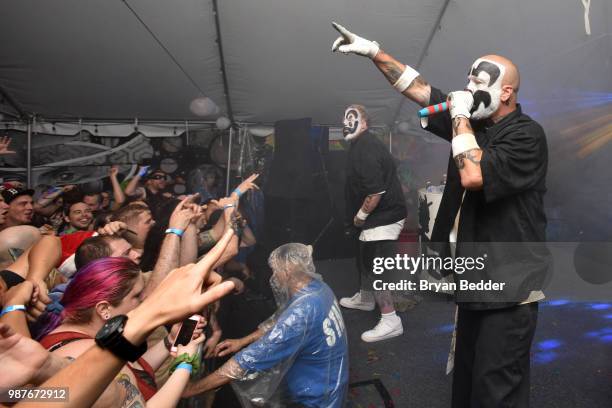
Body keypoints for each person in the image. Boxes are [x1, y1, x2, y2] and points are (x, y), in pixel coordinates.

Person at [331, 22, 549, 407]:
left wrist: (460, 115)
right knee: (466, 381)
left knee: (496, 389)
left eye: (478, 81)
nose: (468, 87)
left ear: (507, 92)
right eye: (467, 78)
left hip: (511, 287)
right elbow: (418, 88)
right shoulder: (473, 124)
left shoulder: (526, 136)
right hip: (476, 281)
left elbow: (473, 174)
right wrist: (373, 51)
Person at [183, 243, 349, 408]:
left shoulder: (302, 313)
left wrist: (192, 389)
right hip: (329, 381)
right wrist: (242, 341)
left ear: (287, 272)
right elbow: (281, 319)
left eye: (275, 271)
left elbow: (245, 362)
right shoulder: (318, 287)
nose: (273, 277)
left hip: (315, 398)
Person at [35, 257, 205, 408]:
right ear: (104, 309)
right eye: (137, 295)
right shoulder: (85, 351)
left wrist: (169, 341)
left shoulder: (81, 337)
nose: (143, 300)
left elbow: (130, 374)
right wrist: (185, 361)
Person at [337, 104, 407, 342]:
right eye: (345, 119)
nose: (347, 123)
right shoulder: (359, 145)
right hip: (376, 217)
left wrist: (359, 217)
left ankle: (391, 320)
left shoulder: (366, 149)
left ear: (365, 124)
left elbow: (375, 192)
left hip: (384, 216)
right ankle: (366, 299)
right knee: (364, 257)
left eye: (353, 119)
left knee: (377, 267)